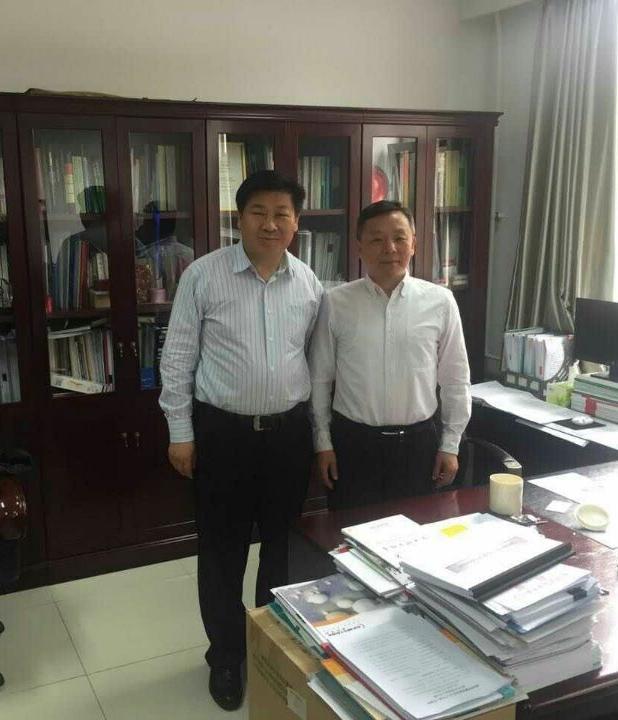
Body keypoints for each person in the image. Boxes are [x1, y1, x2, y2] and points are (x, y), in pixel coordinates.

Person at [159, 170, 322, 711]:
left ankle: (271, 649)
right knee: (221, 554)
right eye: (259, 212)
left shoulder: (309, 283)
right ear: (239, 217)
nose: (270, 224)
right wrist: (180, 432)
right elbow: (178, 359)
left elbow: (313, 361)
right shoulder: (203, 276)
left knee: (283, 551)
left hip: (288, 437)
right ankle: (227, 658)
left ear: (295, 222)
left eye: (282, 214)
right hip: (222, 436)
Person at [309, 200, 471, 510]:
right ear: (359, 247)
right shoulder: (336, 303)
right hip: (353, 446)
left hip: (419, 447)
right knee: (348, 532)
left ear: (414, 244)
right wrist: (323, 443)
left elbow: (456, 380)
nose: (389, 248)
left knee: (416, 532)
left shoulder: (441, 302)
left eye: (399, 237)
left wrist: (450, 445)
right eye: (376, 239)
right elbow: (319, 379)